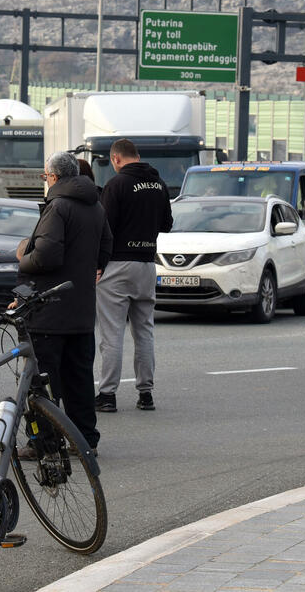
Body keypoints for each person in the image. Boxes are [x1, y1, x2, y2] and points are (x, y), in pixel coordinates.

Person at [18, 152, 112, 452]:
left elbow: (46, 256)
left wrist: (23, 259)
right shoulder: (95, 205)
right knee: (79, 380)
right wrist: (91, 269)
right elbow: (107, 245)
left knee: (43, 383)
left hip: (49, 310)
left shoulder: (58, 206)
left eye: (46, 176)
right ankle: (84, 440)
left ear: (54, 177)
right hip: (81, 309)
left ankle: (44, 443)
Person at [95, 139, 172, 413]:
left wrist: (99, 264)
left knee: (112, 334)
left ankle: (107, 395)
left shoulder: (116, 185)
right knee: (144, 331)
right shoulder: (159, 184)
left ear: (116, 159)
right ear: (137, 156)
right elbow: (167, 224)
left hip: (117, 264)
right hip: (147, 264)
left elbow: (105, 229)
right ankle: (146, 393)